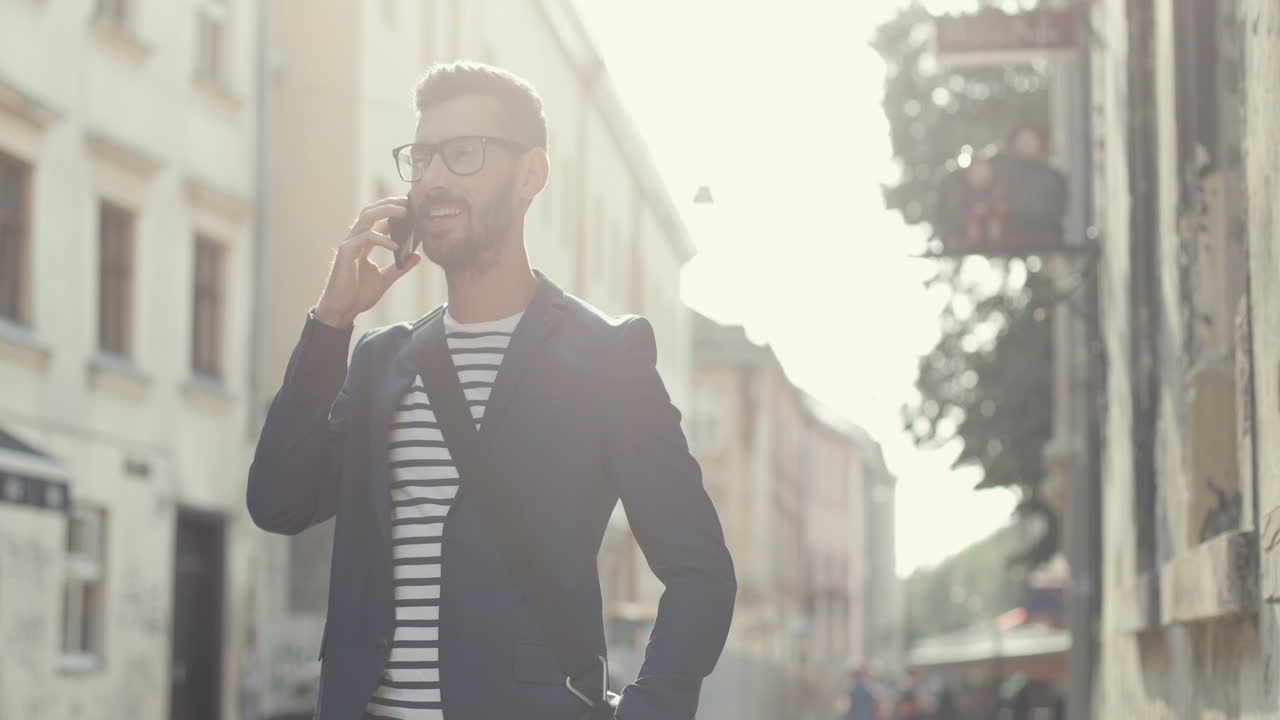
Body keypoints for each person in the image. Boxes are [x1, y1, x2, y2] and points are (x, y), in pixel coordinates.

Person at [247, 61, 737, 720]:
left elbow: (700, 572)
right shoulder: (379, 362)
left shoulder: (605, 359)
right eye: (422, 158)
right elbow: (278, 502)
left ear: (531, 174)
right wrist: (331, 323)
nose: (435, 179)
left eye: (463, 154)